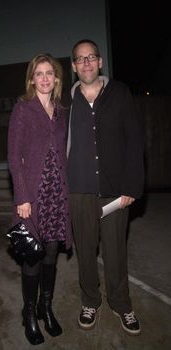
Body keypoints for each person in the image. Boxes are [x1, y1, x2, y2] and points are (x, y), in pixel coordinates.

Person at [67, 39, 144, 336]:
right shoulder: (67, 101)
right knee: (85, 251)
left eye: (91, 57)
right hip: (79, 190)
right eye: (80, 59)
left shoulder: (119, 93)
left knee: (115, 252)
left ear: (100, 62)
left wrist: (131, 186)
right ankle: (90, 301)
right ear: (74, 67)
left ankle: (121, 303)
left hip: (115, 190)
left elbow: (134, 142)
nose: (86, 63)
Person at [8, 53, 72, 345]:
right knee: (31, 257)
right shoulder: (23, 109)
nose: (45, 78)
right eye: (39, 73)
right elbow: (13, 156)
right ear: (32, 79)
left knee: (50, 254)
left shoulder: (61, 112)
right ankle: (30, 313)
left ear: (57, 78)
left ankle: (46, 307)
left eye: (50, 73)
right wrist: (21, 195)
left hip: (57, 195)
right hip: (32, 196)